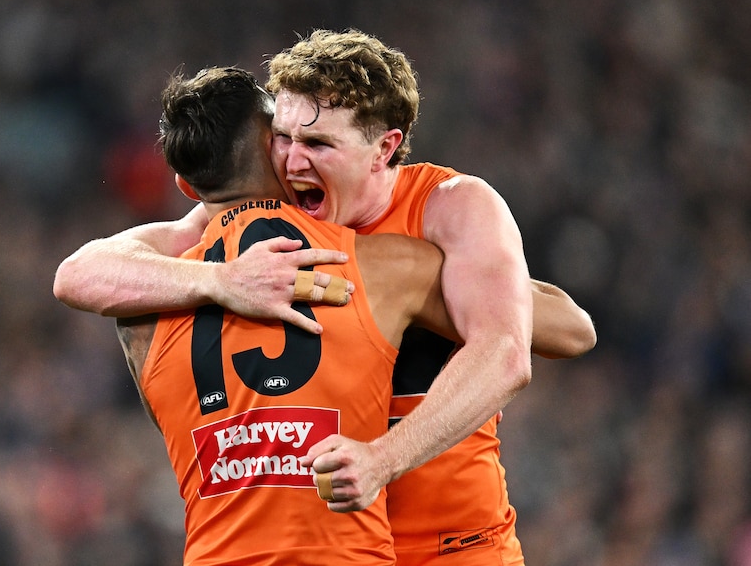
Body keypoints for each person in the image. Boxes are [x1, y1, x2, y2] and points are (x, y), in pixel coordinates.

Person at [53, 30, 596, 565]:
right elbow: (82, 273)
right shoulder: (269, 209)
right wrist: (222, 281)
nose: (291, 162)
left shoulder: (448, 208)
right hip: (347, 547)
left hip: (456, 546)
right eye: (283, 138)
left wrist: (383, 457)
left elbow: (538, 341)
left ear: (384, 148)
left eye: (317, 144)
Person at [115, 65, 461, 565]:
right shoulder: (382, 263)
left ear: (187, 187)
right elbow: (555, 328)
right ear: (277, 154)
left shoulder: (138, 313)